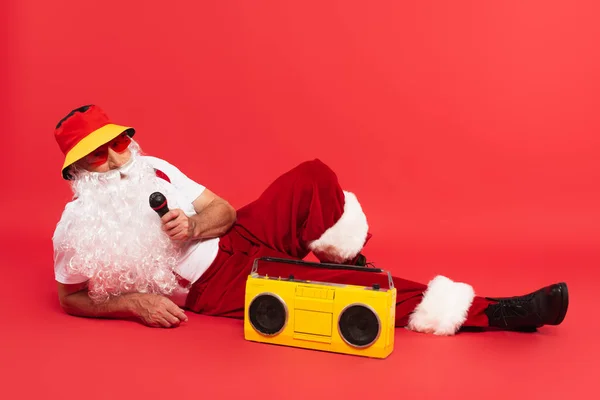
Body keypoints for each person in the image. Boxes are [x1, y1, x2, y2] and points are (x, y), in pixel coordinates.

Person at [52, 104, 569, 335]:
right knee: (342, 288)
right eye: (101, 154)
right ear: (77, 170)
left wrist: (195, 225)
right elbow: (70, 298)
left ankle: (345, 257)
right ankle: (495, 312)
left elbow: (223, 210)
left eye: (120, 142)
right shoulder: (73, 228)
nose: (120, 159)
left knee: (311, 176)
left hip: (238, 234)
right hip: (218, 285)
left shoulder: (155, 167)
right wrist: (130, 303)